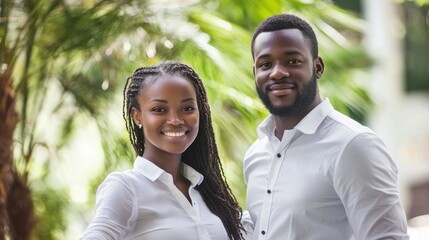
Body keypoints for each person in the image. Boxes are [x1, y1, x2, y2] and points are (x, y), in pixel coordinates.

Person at [242, 14, 409, 240]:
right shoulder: (256, 155)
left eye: (293, 61)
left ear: (318, 67)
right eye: (265, 64)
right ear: (255, 74)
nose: (278, 72)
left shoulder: (354, 145)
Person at [81, 61, 244, 240]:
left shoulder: (210, 192)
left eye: (187, 108)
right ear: (137, 116)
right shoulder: (126, 188)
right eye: (159, 109)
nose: (175, 120)